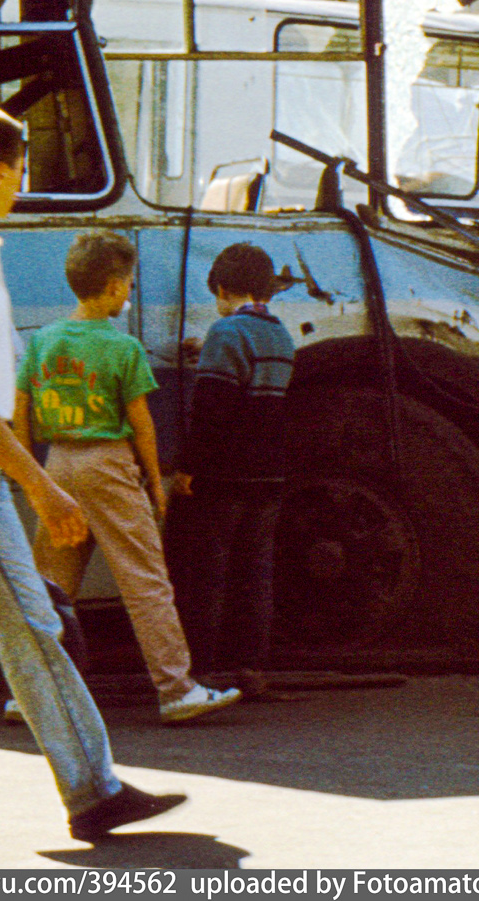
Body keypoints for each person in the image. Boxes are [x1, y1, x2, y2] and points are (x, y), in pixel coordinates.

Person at [0, 104, 184, 841]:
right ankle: (95, 788)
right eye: (21, 169)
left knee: (33, 625)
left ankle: (95, 791)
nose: (22, 182)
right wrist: (39, 481)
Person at [17, 229, 241, 727]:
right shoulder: (124, 348)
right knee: (145, 582)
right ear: (116, 287)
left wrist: (34, 474)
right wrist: (153, 483)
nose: (132, 292)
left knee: (50, 585)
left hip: (56, 463)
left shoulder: (42, 343)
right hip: (107, 462)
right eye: (131, 284)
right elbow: (141, 422)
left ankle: (28, 695)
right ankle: (177, 689)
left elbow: (21, 414)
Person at [166, 242, 295, 701]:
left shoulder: (225, 331)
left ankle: (201, 671)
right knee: (256, 571)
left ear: (222, 289)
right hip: (270, 474)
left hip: (225, 475)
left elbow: (213, 410)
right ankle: (252, 669)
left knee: (209, 572)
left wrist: (186, 468)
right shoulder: (281, 334)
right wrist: (210, 349)